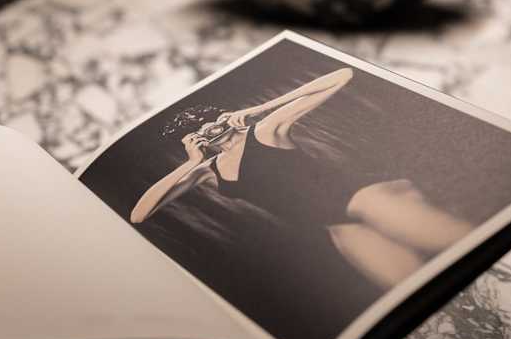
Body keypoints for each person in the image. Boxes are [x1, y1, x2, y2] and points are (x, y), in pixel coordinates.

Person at [129, 68, 473, 290]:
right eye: (198, 133)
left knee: (463, 246)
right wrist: (189, 163)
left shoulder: (264, 129)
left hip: (364, 199)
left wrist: (256, 110)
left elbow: (343, 75)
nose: (208, 132)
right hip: (338, 228)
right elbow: (139, 215)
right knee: (418, 289)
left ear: (220, 118)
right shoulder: (206, 170)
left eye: (209, 123)